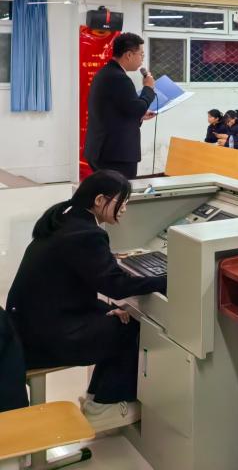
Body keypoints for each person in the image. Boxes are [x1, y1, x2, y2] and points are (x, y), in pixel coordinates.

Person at [7, 171, 166, 430]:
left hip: (28, 327)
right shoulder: (86, 234)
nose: (125, 209)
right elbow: (115, 286)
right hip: (44, 339)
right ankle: (105, 406)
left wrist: (105, 308)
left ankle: (95, 399)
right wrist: (166, 279)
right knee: (130, 328)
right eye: (121, 202)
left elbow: (71, 284)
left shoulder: (65, 219)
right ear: (100, 200)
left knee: (118, 316)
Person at [83, 32, 156, 179]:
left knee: (106, 190)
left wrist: (140, 116)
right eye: (141, 54)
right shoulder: (119, 78)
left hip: (103, 150)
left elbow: (120, 110)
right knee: (118, 192)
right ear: (129, 55)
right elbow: (137, 108)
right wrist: (148, 88)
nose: (142, 59)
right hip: (115, 155)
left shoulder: (106, 73)